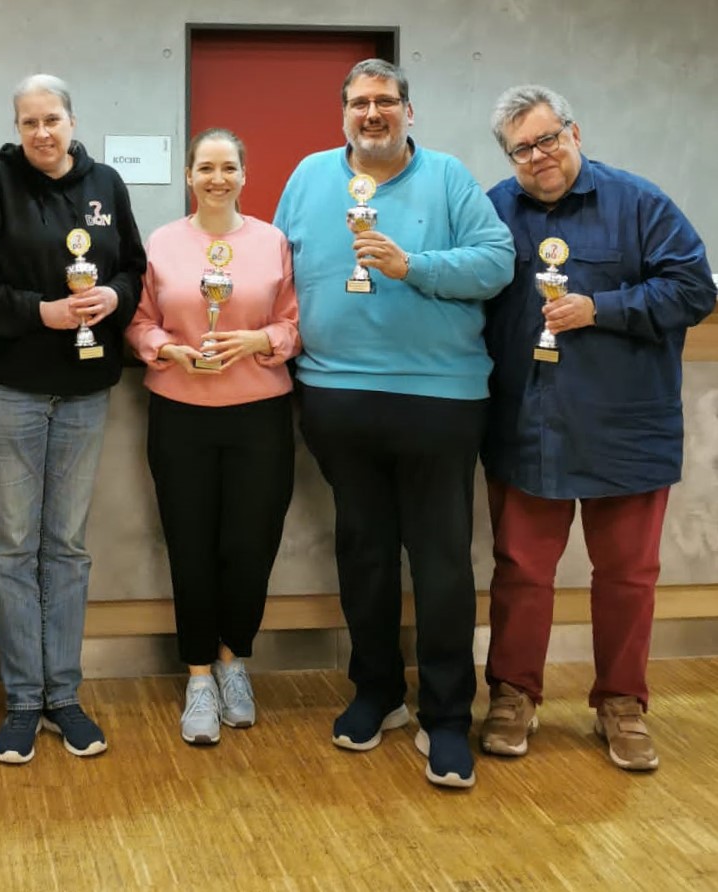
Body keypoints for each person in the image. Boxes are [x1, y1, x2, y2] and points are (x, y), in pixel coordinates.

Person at [273, 58, 514, 788]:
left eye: (385, 100)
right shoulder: (309, 176)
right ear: (342, 113)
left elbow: (497, 263)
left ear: (410, 111)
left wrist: (415, 267)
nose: (371, 113)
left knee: (441, 562)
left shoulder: (448, 178)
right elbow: (276, 270)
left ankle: (447, 715)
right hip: (335, 396)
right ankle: (377, 692)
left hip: (440, 400)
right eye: (359, 102)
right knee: (364, 554)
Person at [480, 85, 716, 772]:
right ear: (509, 158)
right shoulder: (493, 209)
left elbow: (695, 289)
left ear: (574, 133)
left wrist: (600, 309)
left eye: (548, 139)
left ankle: (622, 703)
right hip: (530, 423)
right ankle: (513, 695)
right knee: (521, 571)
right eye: (521, 149)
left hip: (627, 424)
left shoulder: (640, 203)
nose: (538, 156)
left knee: (627, 576)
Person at [0, 74, 145, 764]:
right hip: (10, 390)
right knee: (14, 546)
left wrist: (113, 298)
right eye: (29, 122)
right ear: (17, 127)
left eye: (51, 119)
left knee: (67, 547)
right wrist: (41, 312)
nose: (41, 132)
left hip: (85, 390)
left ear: (72, 121)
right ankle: (24, 699)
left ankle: (65, 695)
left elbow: (134, 269)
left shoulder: (107, 185)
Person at [126, 128, 299, 746]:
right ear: (189, 176)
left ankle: (234, 661)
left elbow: (293, 324)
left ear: (245, 175)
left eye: (228, 167)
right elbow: (140, 321)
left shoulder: (273, 242)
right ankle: (198, 675)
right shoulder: (162, 242)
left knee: (250, 545)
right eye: (206, 167)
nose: (217, 178)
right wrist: (166, 348)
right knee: (190, 544)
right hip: (180, 414)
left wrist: (259, 341)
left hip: (260, 415)